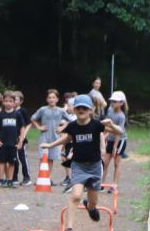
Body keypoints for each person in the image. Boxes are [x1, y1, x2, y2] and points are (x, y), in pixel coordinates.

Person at [39, 94, 122, 222]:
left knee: (93, 201)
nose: (81, 110)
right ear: (74, 110)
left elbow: (119, 132)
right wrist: (50, 145)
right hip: (78, 166)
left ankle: (91, 207)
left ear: (90, 110)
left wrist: (111, 124)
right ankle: (69, 230)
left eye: (84, 108)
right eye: (78, 108)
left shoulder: (96, 125)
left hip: (94, 167)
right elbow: (67, 138)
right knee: (76, 196)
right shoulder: (72, 126)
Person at [0, 93, 27, 187]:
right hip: (2, 143)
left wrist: (21, 140)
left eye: (11, 101)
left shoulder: (17, 114)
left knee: (12, 162)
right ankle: (1, 180)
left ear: (14, 103)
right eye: (6, 101)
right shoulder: (0, 115)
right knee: (1, 161)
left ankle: (10, 180)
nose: (8, 103)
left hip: (13, 143)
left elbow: (22, 127)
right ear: (3, 102)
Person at [31, 89, 68, 170]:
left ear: (57, 99)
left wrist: (62, 127)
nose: (51, 99)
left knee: (51, 159)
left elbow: (70, 120)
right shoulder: (43, 110)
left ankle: (48, 178)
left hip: (55, 138)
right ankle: (40, 178)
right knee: (43, 158)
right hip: (44, 138)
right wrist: (39, 127)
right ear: (47, 99)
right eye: (49, 97)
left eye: (54, 97)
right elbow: (33, 118)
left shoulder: (61, 110)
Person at [106, 90, 129, 184]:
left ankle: (114, 184)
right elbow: (108, 124)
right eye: (112, 101)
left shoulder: (121, 116)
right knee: (105, 162)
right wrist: (105, 136)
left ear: (121, 103)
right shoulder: (109, 110)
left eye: (115, 101)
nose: (113, 103)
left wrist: (115, 147)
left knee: (116, 163)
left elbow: (119, 132)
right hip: (111, 139)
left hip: (120, 141)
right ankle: (101, 184)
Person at [12, 90, 33, 185]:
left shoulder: (22, 111)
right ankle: (14, 177)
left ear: (21, 101)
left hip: (21, 140)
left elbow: (29, 124)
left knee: (22, 157)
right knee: (14, 158)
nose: (14, 101)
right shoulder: (10, 112)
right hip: (12, 139)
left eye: (16, 99)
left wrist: (23, 135)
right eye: (12, 99)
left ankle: (27, 177)